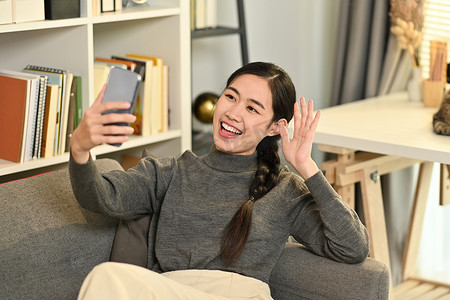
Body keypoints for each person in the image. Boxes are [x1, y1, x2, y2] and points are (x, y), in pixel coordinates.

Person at [69, 62, 369, 300]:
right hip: (168, 290)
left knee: (107, 277)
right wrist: (80, 149)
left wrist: (306, 167)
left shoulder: (285, 190)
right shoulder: (170, 172)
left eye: (252, 108)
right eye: (230, 96)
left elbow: (353, 247)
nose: (233, 113)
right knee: (108, 276)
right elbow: (101, 197)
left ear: (276, 127)